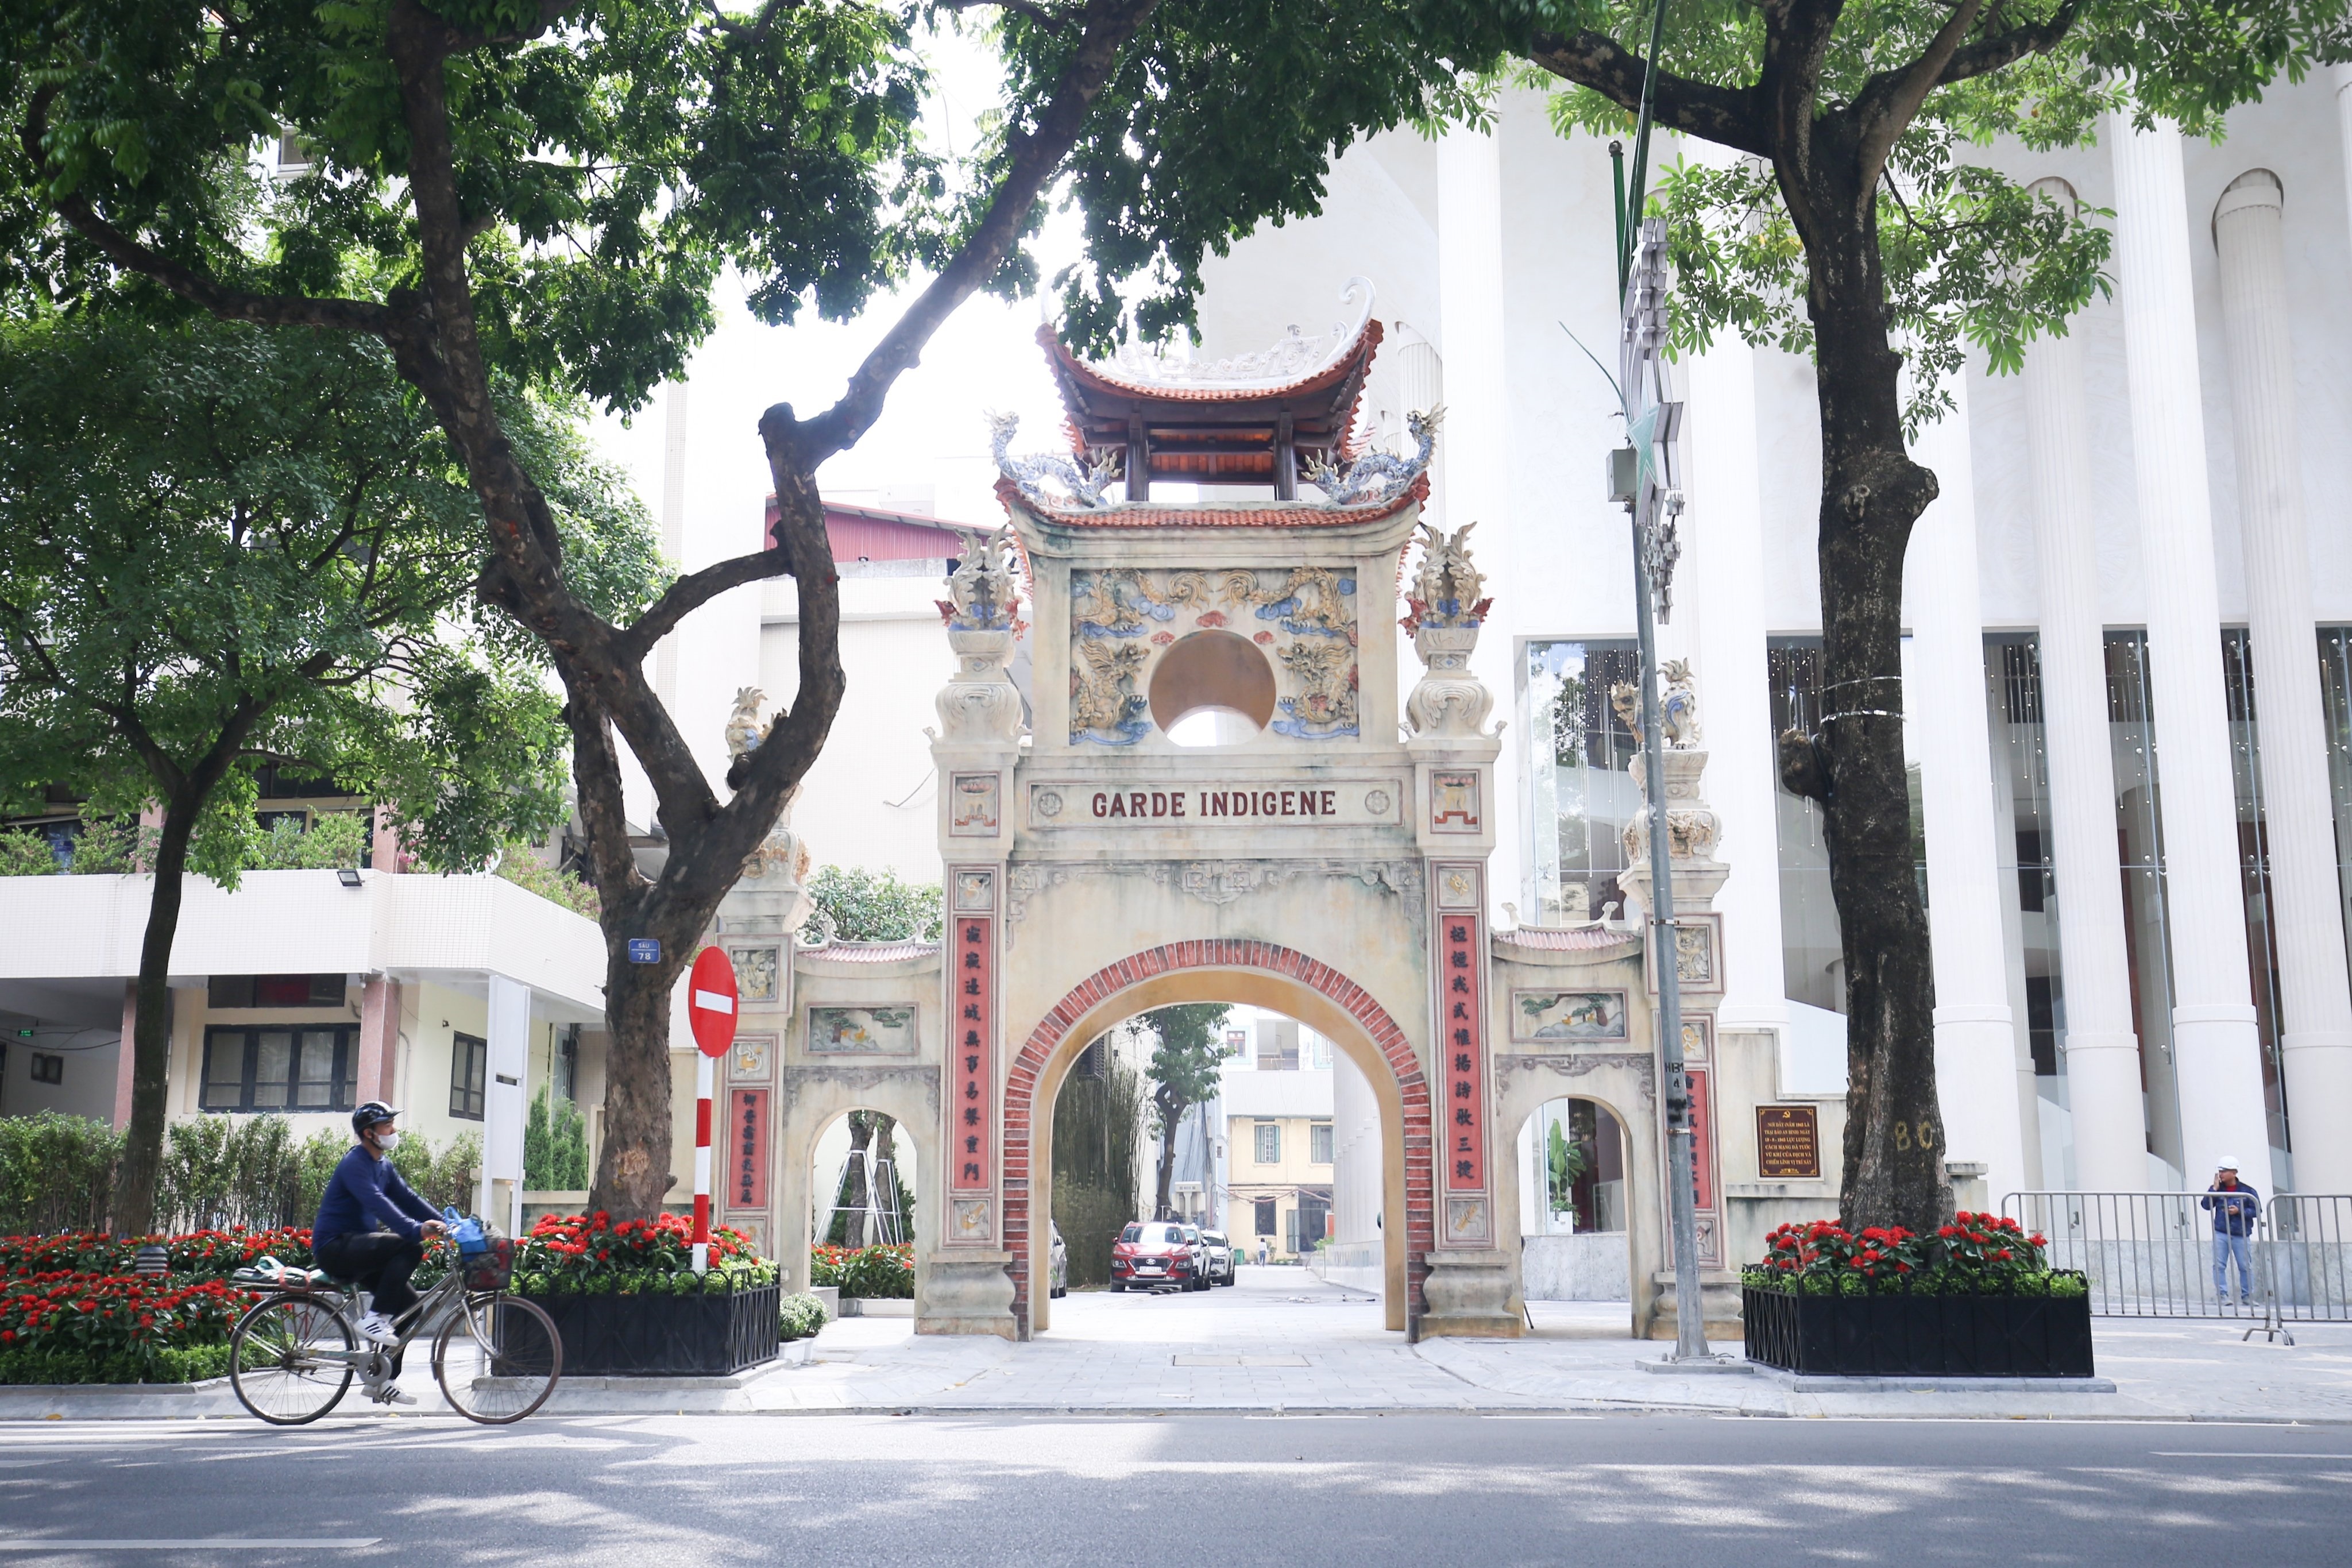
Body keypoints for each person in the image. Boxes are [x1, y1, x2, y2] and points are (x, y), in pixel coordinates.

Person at [313, 1102, 445, 1396]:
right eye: (388, 1126)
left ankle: (381, 1381)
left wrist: (447, 1222)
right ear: (370, 1134)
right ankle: (375, 1318)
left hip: (358, 1248)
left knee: (411, 1308)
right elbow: (378, 1203)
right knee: (409, 1247)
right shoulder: (355, 1164)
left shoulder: (382, 1165)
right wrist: (414, 1230)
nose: (394, 1130)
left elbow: (408, 1197)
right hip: (335, 1248)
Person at [2200, 1157, 2261, 1306]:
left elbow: (2256, 1210)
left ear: (2234, 1172)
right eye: (2220, 1171)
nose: (2221, 1174)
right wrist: (2213, 1190)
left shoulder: (2247, 1191)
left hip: (2240, 1233)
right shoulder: (2217, 1189)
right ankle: (2222, 1295)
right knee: (2219, 1265)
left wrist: (2239, 1211)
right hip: (2221, 1232)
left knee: (2245, 1265)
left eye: (2224, 1171)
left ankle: (2247, 1296)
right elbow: (2206, 1205)